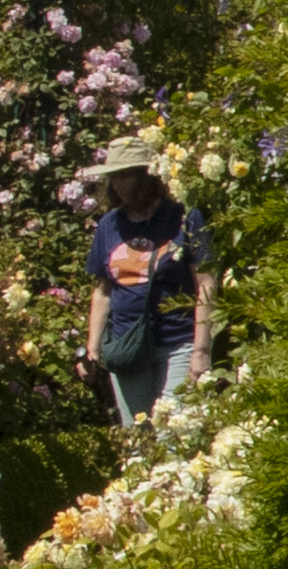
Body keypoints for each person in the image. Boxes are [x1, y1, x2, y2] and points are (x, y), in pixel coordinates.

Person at [85, 163, 203, 422]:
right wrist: (92, 349)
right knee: (138, 439)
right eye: (114, 176)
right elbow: (103, 291)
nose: (119, 184)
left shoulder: (183, 217)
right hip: (128, 347)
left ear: (148, 176)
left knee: (173, 433)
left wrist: (202, 350)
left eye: (125, 175)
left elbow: (205, 284)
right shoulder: (109, 225)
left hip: (177, 342)